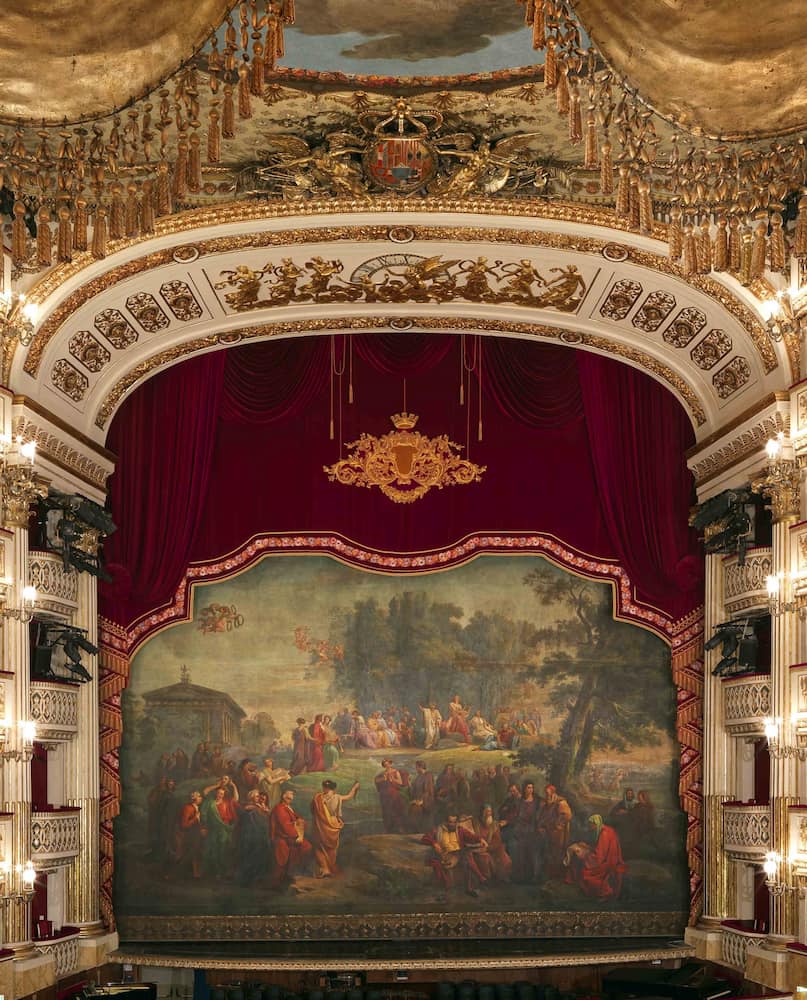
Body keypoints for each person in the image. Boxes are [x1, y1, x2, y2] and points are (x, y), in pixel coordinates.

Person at [422, 813, 487, 896]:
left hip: (459, 855)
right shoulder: (437, 830)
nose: (452, 824)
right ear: (445, 822)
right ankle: (480, 878)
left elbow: (471, 837)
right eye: (450, 822)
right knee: (466, 853)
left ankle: (469, 888)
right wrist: (434, 843)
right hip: (446, 857)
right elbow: (424, 838)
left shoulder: (459, 829)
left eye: (454, 822)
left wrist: (480, 839)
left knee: (466, 857)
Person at [564, 814, 626, 899]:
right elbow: (600, 848)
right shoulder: (605, 830)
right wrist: (587, 847)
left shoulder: (604, 833)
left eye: (591, 825)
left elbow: (599, 857)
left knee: (585, 872)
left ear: (596, 823)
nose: (590, 827)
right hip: (606, 857)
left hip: (608, 862)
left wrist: (585, 855)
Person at [310, 778, 360, 877]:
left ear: (325, 787)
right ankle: (328, 867)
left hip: (321, 824)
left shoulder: (318, 798)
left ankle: (325, 868)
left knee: (319, 846)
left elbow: (312, 810)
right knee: (331, 847)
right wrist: (355, 787)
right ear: (333, 788)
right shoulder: (337, 797)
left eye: (324, 787)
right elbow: (350, 796)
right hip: (333, 823)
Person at [269, 789, 312, 887]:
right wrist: (297, 836)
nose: (291, 797)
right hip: (281, 837)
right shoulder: (279, 808)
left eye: (292, 796)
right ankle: (278, 881)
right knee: (283, 857)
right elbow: (285, 825)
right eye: (290, 795)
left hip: (288, 836)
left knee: (306, 847)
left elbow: (297, 818)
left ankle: (288, 875)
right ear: (284, 796)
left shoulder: (287, 807)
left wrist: (301, 822)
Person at [536, 784, 572, 880]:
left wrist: (557, 825)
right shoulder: (545, 802)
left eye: (548, 793)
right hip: (547, 831)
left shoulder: (561, 802)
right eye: (546, 793)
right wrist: (541, 826)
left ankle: (555, 877)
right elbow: (541, 816)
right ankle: (546, 875)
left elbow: (566, 816)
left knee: (557, 854)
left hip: (557, 833)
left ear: (553, 793)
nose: (546, 795)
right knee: (546, 853)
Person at [473, 803, 512, 883]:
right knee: (485, 858)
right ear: (482, 813)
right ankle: (487, 880)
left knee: (505, 859)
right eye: (486, 811)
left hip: (492, 848)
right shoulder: (476, 823)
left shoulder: (494, 825)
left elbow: (497, 840)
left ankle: (502, 877)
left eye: (490, 811)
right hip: (479, 849)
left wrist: (488, 847)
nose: (489, 814)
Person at [175, 790, 204, 879]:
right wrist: (195, 818)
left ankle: (195, 874)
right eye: (199, 796)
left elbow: (198, 822)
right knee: (189, 854)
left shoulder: (196, 807)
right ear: (194, 799)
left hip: (196, 835)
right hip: (189, 835)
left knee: (196, 854)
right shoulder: (188, 808)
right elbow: (184, 824)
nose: (201, 798)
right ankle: (176, 874)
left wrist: (202, 828)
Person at [374, 758, 408, 833]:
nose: (387, 766)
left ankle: (399, 828)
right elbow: (376, 781)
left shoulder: (395, 772)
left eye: (388, 764)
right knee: (387, 811)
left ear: (390, 764)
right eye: (385, 765)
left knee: (396, 810)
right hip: (385, 795)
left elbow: (401, 782)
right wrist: (383, 779)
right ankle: (388, 828)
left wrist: (393, 779)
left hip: (393, 794)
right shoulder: (382, 774)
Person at [408, 760, 436, 833]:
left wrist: (421, 801)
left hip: (426, 801)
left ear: (421, 767)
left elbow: (428, 791)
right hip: (418, 800)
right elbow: (413, 791)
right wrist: (409, 783)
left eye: (416, 767)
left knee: (415, 810)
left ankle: (421, 831)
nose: (416, 769)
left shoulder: (428, 775)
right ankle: (416, 831)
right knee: (411, 809)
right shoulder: (418, 777)